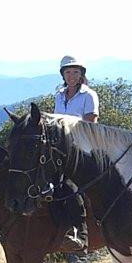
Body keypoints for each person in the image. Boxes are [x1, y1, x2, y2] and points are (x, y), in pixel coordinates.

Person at [51, 56, 99, 252]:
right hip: (61, 150)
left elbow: (90, 125)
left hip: (82, 149)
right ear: (63, 74)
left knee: (70, 186)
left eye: (75, 72)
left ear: (81, 74)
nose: (71, 76)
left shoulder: (89, 95)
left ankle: (80, 232)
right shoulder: (59, 95)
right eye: (68, 72)